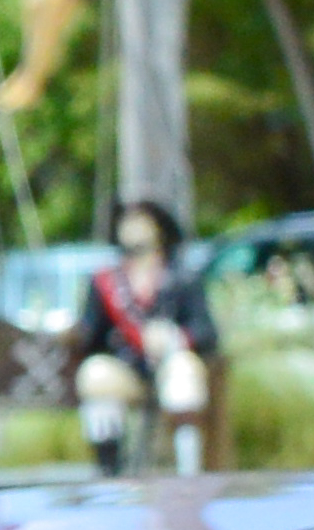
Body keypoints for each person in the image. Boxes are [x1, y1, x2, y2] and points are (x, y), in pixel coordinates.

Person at [67, 200, 218, 475]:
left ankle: (189, 471)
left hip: (170, 366)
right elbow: (91, 337)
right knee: (96, 374)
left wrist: (175, 338)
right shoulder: (106, 281)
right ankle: (109, 470)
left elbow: (206, 330)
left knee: (184, 373)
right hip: (128, 368)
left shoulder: (182, 277)